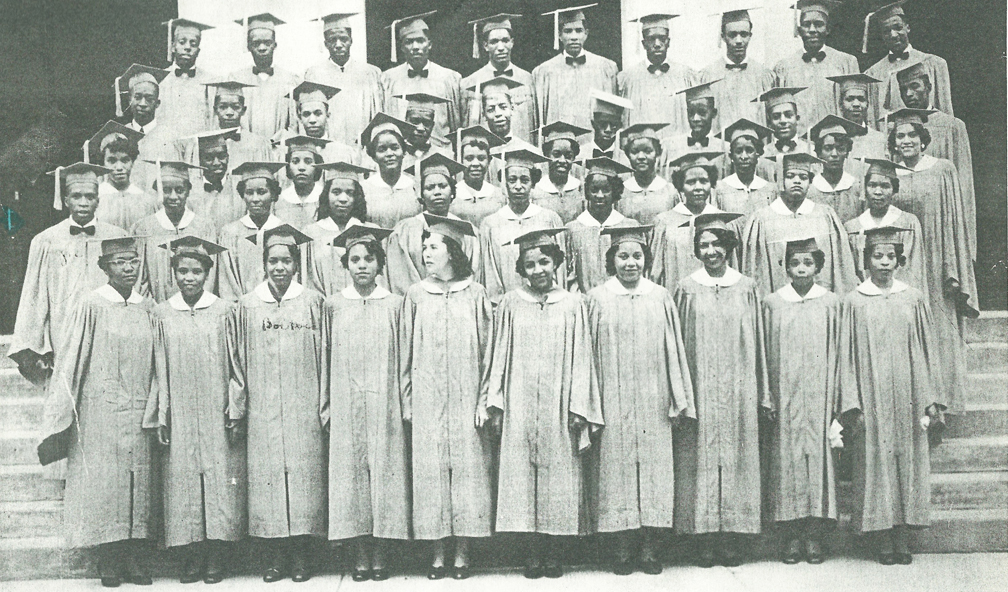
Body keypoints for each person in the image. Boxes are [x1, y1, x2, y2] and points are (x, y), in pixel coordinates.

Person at [37, 237, 154, 587]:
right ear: (104, 268)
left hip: (139, 409)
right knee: (105, 485)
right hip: (99, 411)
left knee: (138, 483)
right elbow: (72, 358)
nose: (128, 268)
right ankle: (110, 559)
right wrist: (62, 410)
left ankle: (135, 558)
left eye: (133, 261)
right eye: (119, 262)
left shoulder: (148, 308)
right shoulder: (91, 304)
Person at [488, 227, 603, 579]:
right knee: (522, 479)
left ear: (556, 264)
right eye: (530, 265)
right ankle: (531, 553)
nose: (538, 270)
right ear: (521, 269)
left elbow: (583, 356)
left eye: (544, 262)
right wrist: (496, 402)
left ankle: (554, 552)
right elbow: (498, 355)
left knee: (558, 479)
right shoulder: (510, 303)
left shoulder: (573, 303)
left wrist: (579, 406)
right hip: (520, 401)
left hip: (559, 402)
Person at [587, 224, 695, 575]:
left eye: (637, 256)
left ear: (646, 260)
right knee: (615, 472)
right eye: (623, 256)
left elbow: (674, 349)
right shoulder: (597, 298)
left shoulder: (660, 296)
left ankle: (650, 548)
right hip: (612, 397)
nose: (630, 263)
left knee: (653, 473)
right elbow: (587, 355)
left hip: (654, 398)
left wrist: (678, 399)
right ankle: (622, 547)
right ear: (612, 260)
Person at [838, 225, 945, 565]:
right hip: (872, 396)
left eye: (890, 256)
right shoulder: (854, 301)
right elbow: (846, 355)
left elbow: (927, 349)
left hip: (910, 394)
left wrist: (930, 398)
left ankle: (902, 535)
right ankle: (882, 536)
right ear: (866, 260)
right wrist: (851, 403)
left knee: (907, 463)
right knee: (876, 464)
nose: (884, 262)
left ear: (900, 260)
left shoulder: (913, 298)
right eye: (877, 256)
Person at [226, 224, 326, 582]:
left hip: (304, 407)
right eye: (273, 261)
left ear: (296, 264)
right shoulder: (248, 306)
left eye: (286, 261)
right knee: (267, 483)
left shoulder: (313, 302)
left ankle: (301, 556)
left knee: (303, 483)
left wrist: (324, 405)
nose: (279, 267)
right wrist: (238, 409)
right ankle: (275, 558)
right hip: (263, 410)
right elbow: (237, 363)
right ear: (263, 263)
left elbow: (326, 357)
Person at [672, 213, 769, 568]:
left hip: (738, 388)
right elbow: (676, 343)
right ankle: (703, 538)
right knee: (698, 460)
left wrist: (763, 392)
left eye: (717, 244)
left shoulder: (747, 287)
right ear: (696, 250)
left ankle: (731, 537)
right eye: (703, 245)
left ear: (729, 247)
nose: (711, 251)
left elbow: (759, 343)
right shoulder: (685, 288)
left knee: (736, 457)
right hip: (699, 388)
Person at [145, 236, 243, 584]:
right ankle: (191, 556)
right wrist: (161, 414)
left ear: (207, 274)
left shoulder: (225, 311)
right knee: (182, 482)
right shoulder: (161, 313)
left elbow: (236, 366)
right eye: (183, 271)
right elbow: (157, 369)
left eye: (197, 271)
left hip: (216, 410)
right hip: (181, 412)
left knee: (217, 482)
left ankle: (216, 556)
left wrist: (235, 409)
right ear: (173, 273)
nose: (189, 277)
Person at [401, 214, 495, 580]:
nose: (426, 253)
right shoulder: (415, 295)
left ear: (452, 252)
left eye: (433, 247)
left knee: (468, 474)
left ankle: (463, 552)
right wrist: (408, 400)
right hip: (427, 400)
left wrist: (483, 400)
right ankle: (438, 552)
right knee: (432, 474)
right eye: (424, 247)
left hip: (467, 399)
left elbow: (488, 352)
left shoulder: (476, 293)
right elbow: (405, 353)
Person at [322, 224, 408, 582]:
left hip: (385, 402)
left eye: (368, 259)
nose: (361, 265)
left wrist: (403, 403)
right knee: (352, 477)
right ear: (346, 264)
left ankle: (382, 551)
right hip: (347, 403)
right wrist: (327, 404)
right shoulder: (333, 305)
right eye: (354, 259)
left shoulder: (395, 305)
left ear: (380, 264)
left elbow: (404, 358)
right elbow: (325, 357)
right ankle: (359, 552)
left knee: (385, 474)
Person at [887, 111, 978, 414]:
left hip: (937, 262)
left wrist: (954, 266)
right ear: (893, 142)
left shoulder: (942, 169)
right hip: (902, 262)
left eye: (912, 135)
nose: (906, 141)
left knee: (940, 331)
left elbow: (954, 220)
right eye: (900, 136)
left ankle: (943, 406)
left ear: (923, 139)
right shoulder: (889, 174)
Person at [761, 235, 842, 565]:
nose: (801, 268)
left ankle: (814, 536)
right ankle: (791, 537)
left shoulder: (832, 303)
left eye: (808, 262)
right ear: (786, 267)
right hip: (785, 397)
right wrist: (767, 395)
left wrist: (838, 398)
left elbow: (841, 352)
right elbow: (763, 354)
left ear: (818, 266)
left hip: (821, 397)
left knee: (818, 465)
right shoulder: (772, 303)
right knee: (787, 465)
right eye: (794, 263)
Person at [9, 163, 126, 385]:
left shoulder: (117, 237)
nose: (83, 202)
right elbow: (34, 297)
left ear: (98, 201)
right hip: (62, 334)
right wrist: (39, 346)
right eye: (76, 196)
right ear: (65, 200)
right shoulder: (46, 241)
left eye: (90, 196)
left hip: (108, 332)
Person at [742, 152, 858, 296]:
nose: (797, 181)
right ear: (779, 180)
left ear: (810, 182)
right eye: (790, 176)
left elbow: (842, 272)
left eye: (803, 177)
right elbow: (756, 275)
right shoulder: (762, 220)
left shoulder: (825, 216)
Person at [894, 62, 977, 258]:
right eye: (904, 89)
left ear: (929, 87)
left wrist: (967, 243)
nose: (909, 94)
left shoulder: (952, 126)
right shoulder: (897, 129)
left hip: (942, 220)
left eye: (915, 86)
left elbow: (964, 186)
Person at [387, 153, 481, 294]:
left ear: (452, 190)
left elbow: (473, 275)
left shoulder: (467, 231)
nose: (437, 192)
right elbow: (400, 279)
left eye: (442, 186)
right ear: (421, 193)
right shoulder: (404, 231)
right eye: (430, 187)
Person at [480, 149, 565, 302]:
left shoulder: (550, 219)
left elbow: (559, 271)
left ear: (533, 183)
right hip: (507, 305)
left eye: (524, 180)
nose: (518, 186)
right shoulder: (490, 224)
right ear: (504, 183)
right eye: (512, 180)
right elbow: (490, 274)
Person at [130, 160, 217, 302]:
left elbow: (210, 276)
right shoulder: (144, 228)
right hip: (157, 309)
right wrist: (154, 310)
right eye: (166, 190)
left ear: (188, 191)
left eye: (179, 190)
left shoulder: (204, 227)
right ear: (158, 191)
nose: (173, 196)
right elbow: (141, 280)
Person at [773, 1, 859, 135]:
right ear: (799, 30)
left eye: (818, 24)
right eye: (807, 25)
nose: (812, 30)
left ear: (828, 29)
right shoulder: (784, 67)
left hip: (837, 141)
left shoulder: (846, 62)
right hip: (800, 141)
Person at [381, 11, 462, 151]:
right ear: (402, 47)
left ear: (429, 44)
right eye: (409, 42)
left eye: (420, 41)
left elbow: (456, 125)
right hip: (402, 155)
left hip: (439, 154)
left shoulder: (449, 78)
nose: (415, 47)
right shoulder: (388, 79)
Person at [651, 154, 735, 289]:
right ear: (680, 186)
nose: (698, 187)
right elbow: (655, 271)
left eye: (704, 181)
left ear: (711, 183)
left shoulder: (722, 220)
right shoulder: (665, 222)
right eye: (690, 182)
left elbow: (732, 267)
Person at [863, 1, 954, 121]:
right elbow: (872, 118)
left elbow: (945, 110)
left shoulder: (934, 63)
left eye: (898, 28)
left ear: (908, 27)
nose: (893, 35)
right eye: (886, 31)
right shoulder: (873, 73)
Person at [304, 12, 383, 150]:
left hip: (362, 150)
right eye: (332, 40)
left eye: (343, 39)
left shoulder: (370, 73)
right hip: (328, 149)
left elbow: (378, 116)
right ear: (325, 44)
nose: (338, 44)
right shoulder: (314, 74)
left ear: (351, 40)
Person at [533, 5, 619, 130]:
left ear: (586, 33)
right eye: (568, 31)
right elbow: (540, 118)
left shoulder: (605, 67)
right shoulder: (544, 71)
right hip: (560, 139)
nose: (574, 37)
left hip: (592, 138)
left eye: (579, 31)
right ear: (559, 35)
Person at [844, 158, 924, 288]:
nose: (878, 192)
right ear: (864, 188)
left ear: (894, 189)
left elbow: (914, 269)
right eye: (872, 185)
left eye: (885, 186)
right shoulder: (852, 228)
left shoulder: (909, 223)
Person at [217, 161, 287, 301]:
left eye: (261, 192)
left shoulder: (285, 232)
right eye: (249, 193)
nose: (255, 199)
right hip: (242, 307)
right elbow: (227, 283)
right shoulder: (230, 233)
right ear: (243, 195)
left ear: (273, 195)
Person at [462, 13, 537, 144]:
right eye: (494, 42)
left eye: (505, 40)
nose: (501, 47)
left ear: (512, 42)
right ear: (485, 45)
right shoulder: (469, 83)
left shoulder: (528, 80)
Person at [619, 13, 696, 138]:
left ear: (668, 42)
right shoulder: (628, 78)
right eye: (651, 39)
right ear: (644, 44)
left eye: (662, 38)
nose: (657, 44)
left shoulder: (685, 75)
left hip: (677, 145)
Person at [302, 162, 372, 296]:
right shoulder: (310, 233)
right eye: (336, 192)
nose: (343, 199)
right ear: (326, 195)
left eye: (350, 193)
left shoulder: (370, 232)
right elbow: (307, 280)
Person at [566, 157, 635, 293]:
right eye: (594, 189)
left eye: (606, 190)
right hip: (584, 300)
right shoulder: (572, 229)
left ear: (615, 192)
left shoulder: (628, 227)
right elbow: (569, 275)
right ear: (586, 191)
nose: (599, 195)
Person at [698, 6, 775, 129]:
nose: (739, 40)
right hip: (720, 140)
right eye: (732, 35)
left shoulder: (763, 75)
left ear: (750, 36)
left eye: (744, 34)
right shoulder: (708, 76)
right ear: (723, 37)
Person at [228, 13, 300, 139]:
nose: (262, 48)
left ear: (275, 45)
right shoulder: (236, 79)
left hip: (280, 147)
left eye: (267, 43)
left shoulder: (290, 80)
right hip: (246, 147)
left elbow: (294, 124)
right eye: (256, 43)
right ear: (249, 46)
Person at [116, 64, 177, 192]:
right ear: (129, 100)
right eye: (137, 97)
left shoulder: (170, 138)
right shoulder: (120, 136)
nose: (143, 104)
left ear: (157, 103)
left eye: (149, 99)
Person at [88, 122, 158, 231]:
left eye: (125, 160)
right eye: (112, 161)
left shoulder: (145, 199)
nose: (119, 167)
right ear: (103, 163)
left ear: (132, 162)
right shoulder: (95, 198)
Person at [359, 113, 421, 229]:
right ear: (374, 156)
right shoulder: (364, 189)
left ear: (404, 152)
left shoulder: (415, 188)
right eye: (382, 149)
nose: (389, 154)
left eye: (394, 148)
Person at [196, 78, 272, 170]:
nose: (229, 112)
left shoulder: (258, 144)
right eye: (223, 107)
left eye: (236, 107)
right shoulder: (203, 142)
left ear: (243, 110)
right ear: (215, 110)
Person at [278, 81, 359, 165]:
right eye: (306, 114)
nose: (312, 120)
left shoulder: (345, 152)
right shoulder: (290, 154)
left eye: (318, 113)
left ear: (328, 115)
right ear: (300, 118)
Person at [159, 18, 214, 136]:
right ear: (173, 46)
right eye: (182, 42)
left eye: (193, 44)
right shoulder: (160, 79)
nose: (187, 47)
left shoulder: (210, 81)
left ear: (198, 51)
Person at [807, 115, 866, 222]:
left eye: (840, 148)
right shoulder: (810, 190)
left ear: (847, 152)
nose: (834, 154)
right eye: (828, 148)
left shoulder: (858, 189)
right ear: (819, 153)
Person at [713, 119, 777, 216]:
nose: (744, 156)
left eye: (749, 150)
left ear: (757, 154)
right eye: (738, 151)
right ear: (731, 156)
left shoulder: (770, 190)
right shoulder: (720, 189)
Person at [661, 81, 729, 173]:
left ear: (713, 113)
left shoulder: (724, 148)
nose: (695, 118)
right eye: (691, 113)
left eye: (702, 112)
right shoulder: (671, 146)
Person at [184, 129, 244, 232]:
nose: (216, 163)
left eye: (221, 157)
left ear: (228, 157)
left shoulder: (240, 190)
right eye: (208, 158)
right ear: (200, 161)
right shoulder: (190, 192)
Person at [531, 122, 590, 223]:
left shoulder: (580, 189)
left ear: (574, 158)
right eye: (556, 154)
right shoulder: (536, 190)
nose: (562, 160)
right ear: (546, 155)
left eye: (568, 156)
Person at [619, 123, 678, 224]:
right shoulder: (621, 192)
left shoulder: (669, 191)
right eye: (635, 152)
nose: (641, 157)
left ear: (657, 153)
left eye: (648, 151)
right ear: (628, 155)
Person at [451, 125, 507, 227]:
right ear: (459, 160)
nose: (476, 164)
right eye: (469, 158)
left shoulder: (500, 196)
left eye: (481, 158)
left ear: (489, 161)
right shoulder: (451, 196)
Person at [826, 73, 888, 162]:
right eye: (850, 99)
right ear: (840, 104)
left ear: (868, 104)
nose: (856, 104)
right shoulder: (830, 139)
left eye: (861, 99)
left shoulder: (879, 139)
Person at [274, 136, 326, 229]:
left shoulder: (325, 198)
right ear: (288, 166)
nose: (301, 167)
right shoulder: (279, 200)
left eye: (308, 161)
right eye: (295, 161)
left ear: (317, 166)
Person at [398, 92, 455, 169]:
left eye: (426, 123)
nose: (420, 128)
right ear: (406, 122)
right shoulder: (395, 157)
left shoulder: (445, 156)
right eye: (415, 122)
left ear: (432, 125)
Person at [580, 91, 633, 167]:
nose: (608, 130)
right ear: (593, 124)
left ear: (619, 126)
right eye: (603, 124)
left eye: (613, 125)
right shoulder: (579, 155)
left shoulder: (624, 161)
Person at [759, 87, 811, 159]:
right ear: (769, 123)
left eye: (788, 115)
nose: (783, 121)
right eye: (776, 117)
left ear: (797, 119)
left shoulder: (811, 151)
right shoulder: (763, 154)